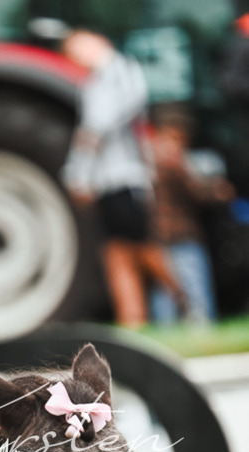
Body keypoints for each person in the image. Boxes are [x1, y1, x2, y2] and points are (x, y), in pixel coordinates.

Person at [60, 29, 186, 327]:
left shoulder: (119, 72)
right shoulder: (98, 81)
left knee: (139, 248)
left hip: (124, 179)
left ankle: (181, 298)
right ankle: (133, 319)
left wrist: (78, 175)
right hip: (109, 181)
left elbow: (97, 127)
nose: (76, 56)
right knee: (115, 253)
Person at [149, 106, 235, 324]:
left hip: (174, 238)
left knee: (182, 293)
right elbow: (195, 191)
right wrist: (217, 190)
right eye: (174, 136)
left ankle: (193, 331)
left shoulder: (164, 161)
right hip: (171, 240)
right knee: (174, 294)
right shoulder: (161, 161)